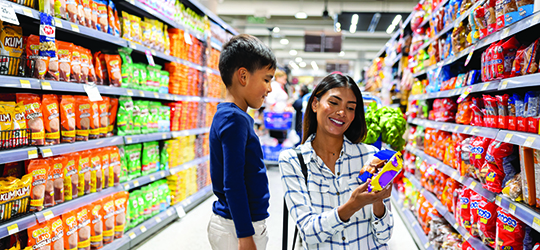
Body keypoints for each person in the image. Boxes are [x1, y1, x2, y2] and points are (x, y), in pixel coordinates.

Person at [279, 73, 394, 249]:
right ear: (315, 104)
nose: (341, 113)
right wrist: (352, 206)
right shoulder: (293, 161)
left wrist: (378, 201)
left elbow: (384, 236)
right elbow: (308, 233)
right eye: (334, 103)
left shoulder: (371, 157)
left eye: (350, 108)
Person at [208, 34, 277, 250]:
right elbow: (233, 183)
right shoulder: (234, 120)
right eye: (266, 79)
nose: (269, 88)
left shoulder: (233, 116)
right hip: (236, 229)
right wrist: (245, 235)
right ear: (243, 76)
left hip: (235, 225)